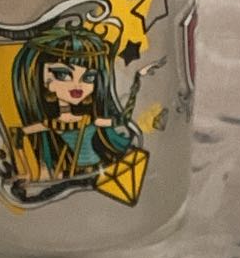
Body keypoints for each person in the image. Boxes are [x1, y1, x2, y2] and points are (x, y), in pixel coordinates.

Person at [9, 21, 141, 184]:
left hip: (99, 172)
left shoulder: (88, 120)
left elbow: (122, 121)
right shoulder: (52, 124)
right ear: (39, 77)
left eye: (88, 77)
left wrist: (135, 88)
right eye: (63, 74)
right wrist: (26, 171)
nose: (77, 85)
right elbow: (18, 134)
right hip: (72, 176)